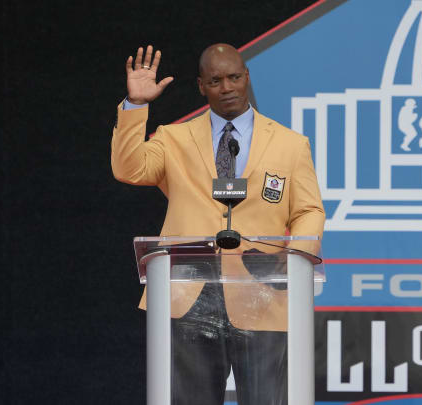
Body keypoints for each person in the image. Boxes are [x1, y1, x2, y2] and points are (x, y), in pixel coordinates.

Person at [112, 44, 325, 404]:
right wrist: (136, 105)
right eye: (215, 80)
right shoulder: (173, 137)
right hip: (188, 293)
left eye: (234, 77)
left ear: (247, 78)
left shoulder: (290, 144)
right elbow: (129, 169)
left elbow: (308, 210)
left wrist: (294, 259)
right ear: (201, 86)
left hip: (261, 291)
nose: (227, 87)